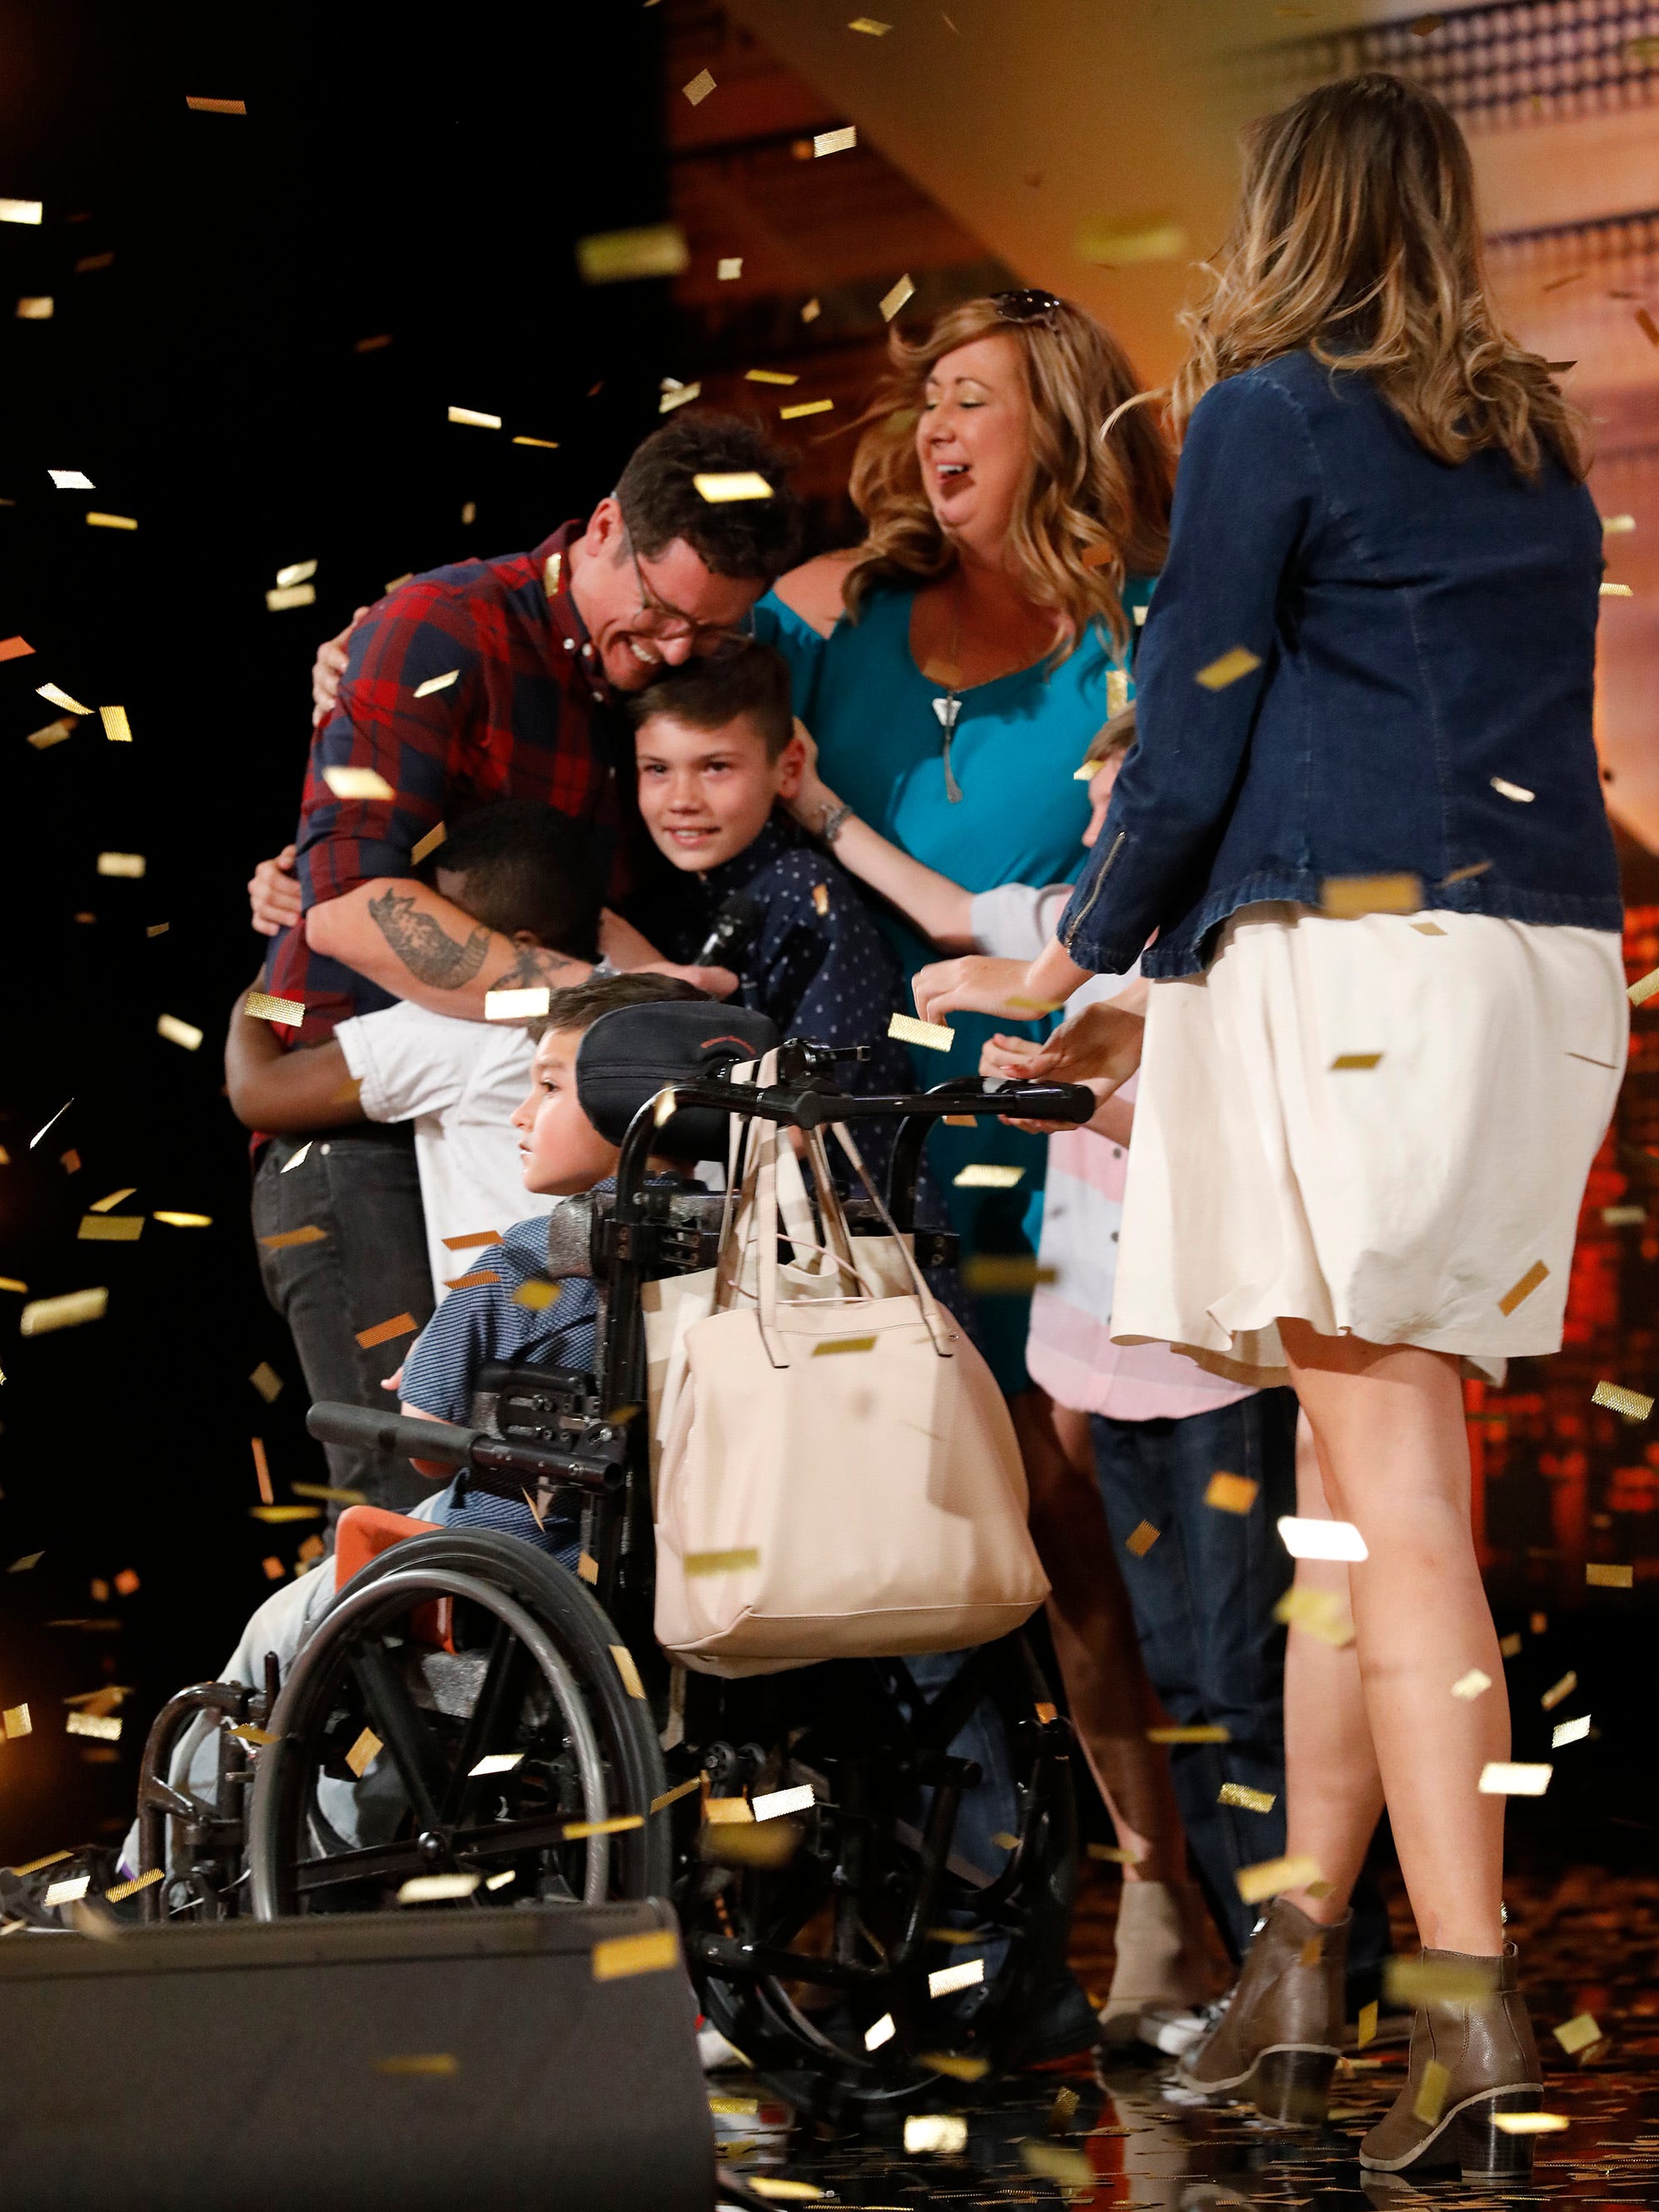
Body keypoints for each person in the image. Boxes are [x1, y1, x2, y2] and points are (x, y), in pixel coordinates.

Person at [913, 73, 1625, 2180]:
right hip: (1529, 976)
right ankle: (1301, 1957)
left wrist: (1086, 959)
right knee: (1346, 1483)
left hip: (1349, 972)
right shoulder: (1522, 431)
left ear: (1286, 216)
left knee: (1391, 1491)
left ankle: (1469, 2005)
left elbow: (1202, 705)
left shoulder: (1268, 414)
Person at [785, 703, 1392, 2041]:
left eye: (1129, 809)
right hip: (1102, 1366)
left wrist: (1068, 1098)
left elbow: (1225, 1140)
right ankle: (1256, 1975)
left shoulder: (1228, 960)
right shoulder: (1083, 940)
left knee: (1245, 1681)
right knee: (1177, 1673)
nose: (1110, 832)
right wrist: (815, 803)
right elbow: (949, 915)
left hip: (1220, 1364)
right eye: (1107, 812)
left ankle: (1316, 1973)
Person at [243, 415, 801, 1507]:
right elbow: (354, 909)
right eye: (664, 613)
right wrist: (600, 1004)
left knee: (539, 1504)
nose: (681, 650)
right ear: (604, 529)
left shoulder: (652, 667)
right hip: (361, 1133)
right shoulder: (442, 629)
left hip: (522, 1137)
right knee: (411, 1502)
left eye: (714, 630)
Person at [227, 800, 602, 1314]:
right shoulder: (624, 997)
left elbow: (262, 1092)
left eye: (446, 927)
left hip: (510, 1338)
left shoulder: (465, 1025)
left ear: (520, 946)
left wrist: (259, 991)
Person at [625, 645, 922, 1182]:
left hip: (837, 1223)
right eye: (657, 770)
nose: (682, 798)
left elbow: (814, 1104)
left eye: (715, 767)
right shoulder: (660, 899)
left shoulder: (803, 892)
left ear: (787, 771)